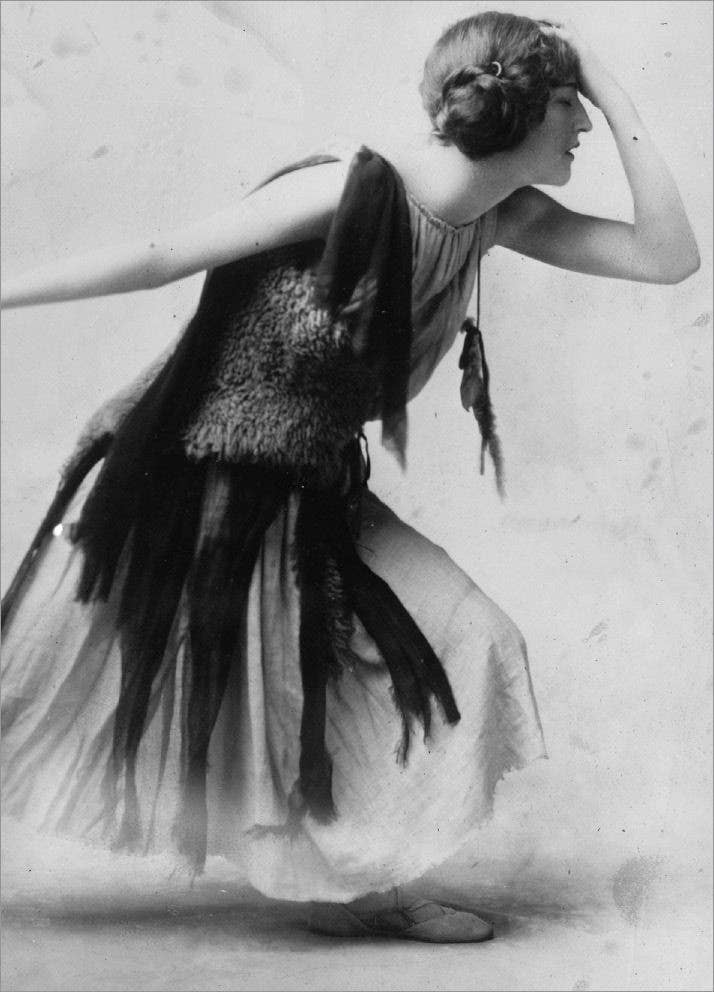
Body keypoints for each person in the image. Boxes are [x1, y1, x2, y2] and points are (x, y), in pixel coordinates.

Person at [0, 11, 699, 944]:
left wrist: (616, 95)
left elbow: (669, 257)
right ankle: (367, 884)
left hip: (312, 483)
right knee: (47, 684)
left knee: (468, 635)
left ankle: (372, 879)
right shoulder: (351, 190)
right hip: (198, 478)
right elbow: (161, 256)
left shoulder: (498, 215)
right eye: (574, 106)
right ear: (522, 108)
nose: (584, 129)